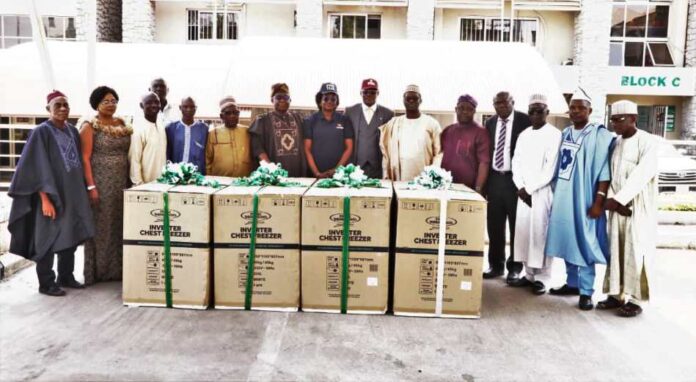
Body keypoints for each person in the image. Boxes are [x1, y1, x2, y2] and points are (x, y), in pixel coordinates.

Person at [8, 91, 95, 296]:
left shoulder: (73, 131)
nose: (63, 109)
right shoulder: (41, 132)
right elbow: (33, 168)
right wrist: (45, 199)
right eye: (58, 105)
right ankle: (46, 282)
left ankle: (66, 276)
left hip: (72, 194)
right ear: (48, 109)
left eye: (66, 105)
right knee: (46, 237)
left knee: (71, 234)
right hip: (49, 196)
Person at [545, 88, 614, 311]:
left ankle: (586, 292)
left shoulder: (600, 135)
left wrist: (598, 201)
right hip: (564, 196)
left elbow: (605, 171)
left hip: (585, 198)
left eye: (580, 108)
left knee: (584, 242)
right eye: (572, 107)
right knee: (567, 239)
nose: (575, 111)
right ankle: (572, 283)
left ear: (590, 110)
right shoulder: (564, 133)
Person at [599, 100, 659, 317]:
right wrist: (613, 200)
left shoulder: (648, 142)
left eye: (619, 120)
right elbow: (610, 174)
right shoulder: (615, 143)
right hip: (617, 207)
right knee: (615, 250)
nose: (614, 124)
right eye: (612, 120)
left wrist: (620, 201)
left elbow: (642, 174)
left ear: (633, 119)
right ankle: (615, 295)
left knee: (635, 252)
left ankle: (634, 299)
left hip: (637, 207)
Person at [508, 94, 562, 295]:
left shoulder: (554, 135)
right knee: (524, 233)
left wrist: (529, 189)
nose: (536, 115)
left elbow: (550, 168)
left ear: (547, 112)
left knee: (541, 234)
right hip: (523, 194)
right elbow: (516, 162)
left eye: (540, 111)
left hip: (542, 193)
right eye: (532, 111)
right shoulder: (524, 134)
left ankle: (543, 278)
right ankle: (529, 275)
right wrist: (521, 188)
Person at [79, 86, 132, 285]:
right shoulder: (89, 126)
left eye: (113, 101)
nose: (111, 105)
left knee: (119, 224)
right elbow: (85, 158)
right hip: (100, 182)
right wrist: (91, 187)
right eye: (106, 101)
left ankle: (117, 270)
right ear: (96, 104)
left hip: (121, 181)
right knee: (101, 226)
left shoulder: (122, 123)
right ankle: (99, 271)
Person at [483, 91, 532, 283]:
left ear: (513, 102)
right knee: (494, 225)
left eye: (505, 102)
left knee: (516, 226)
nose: (501, 106)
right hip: (495, 179)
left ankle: (515, 268)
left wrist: (526, 184)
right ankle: (496, 265)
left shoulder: (525, 121)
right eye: (497, 103)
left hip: (516, 182)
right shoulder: (490, 123)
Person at [379, 85, 442, 181]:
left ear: (420, 100)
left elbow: (439, 152)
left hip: (424, 178)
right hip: (398, 178)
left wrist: (433, 174)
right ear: (403, 100)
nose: (411, 101)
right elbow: (385, 152)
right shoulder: (393, 123)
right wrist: (386, 173)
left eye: (415, 98)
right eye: (408, 98)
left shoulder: (431, 123)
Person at [249, 83, 307, 177]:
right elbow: (257, 148)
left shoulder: (298, 119)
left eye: (286, 97)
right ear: (272, 100)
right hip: (274, 175)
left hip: (298, 173)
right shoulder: (262, 121)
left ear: (290, 100)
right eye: (278, 97)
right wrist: (270, 168)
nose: (282, 100)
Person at [344, 78, 394, 179]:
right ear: (361, 93)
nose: (369, 95)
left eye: (372, 92)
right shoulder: (350, 112)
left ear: (378, 93)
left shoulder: (388, 114)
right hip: (355, 167)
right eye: (365, 92)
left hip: (378, 168)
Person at [440, 94, 490, 193]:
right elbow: (440, 155)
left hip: (468, 189)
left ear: (474, 111)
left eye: (469, 109)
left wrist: (478, 188)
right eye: (461, 108)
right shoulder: (448, 130)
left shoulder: (481, 132)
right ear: (456, 109)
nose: (465, 112)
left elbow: (484, 163)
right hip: (446, 186)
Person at [303, 82, 354, 178]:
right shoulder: (310, 121)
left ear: (337, 102)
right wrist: (317, 173)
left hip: (340, 175)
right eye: (326, 98)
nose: (329, 101)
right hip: (315, 174)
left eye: (333, 99)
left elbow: (349, 148)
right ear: (319, 101)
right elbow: (307, 149)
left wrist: (337, 170)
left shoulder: (345, 120)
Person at [206, 96, 253, 177]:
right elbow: (207, 159)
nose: (232, 116)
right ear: (221, 116)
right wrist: (210, 179)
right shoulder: (213, 133)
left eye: (235, 113)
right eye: (228, 113)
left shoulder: (247, 131)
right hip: (219, 181)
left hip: (244, 181)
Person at [129, 92, 167, 185]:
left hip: (162, 183)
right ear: (141, 105)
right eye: (149, 102)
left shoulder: (161, 126)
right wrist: (139, 184)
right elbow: (134, 160)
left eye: (156, 102)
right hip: (145, 186)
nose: (154, 105)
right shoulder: (138, 129)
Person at [165, 97, 208, 174]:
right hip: (176, 174)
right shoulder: (171, 128)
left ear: (195, 108)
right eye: (185, 107)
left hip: (197, 174)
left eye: (192, 107)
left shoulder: (204, 129)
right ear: (180, 108)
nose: (189, 109)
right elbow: (168, 152)